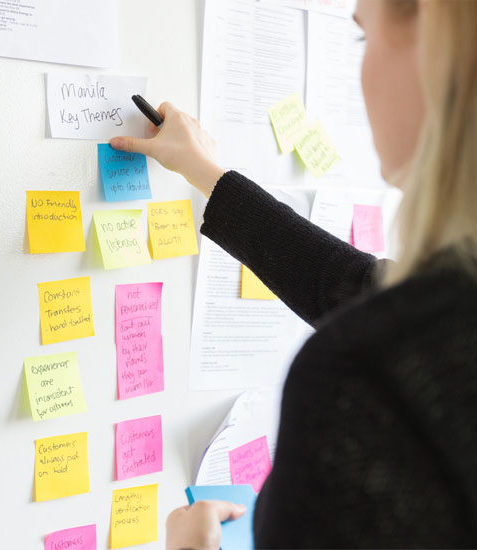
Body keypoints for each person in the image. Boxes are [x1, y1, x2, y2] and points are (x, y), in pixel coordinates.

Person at [111, 0, 476, 547]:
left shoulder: (363, 378)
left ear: (437, 46)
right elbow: (358, 288)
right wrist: (210, 174)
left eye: (361, 38)